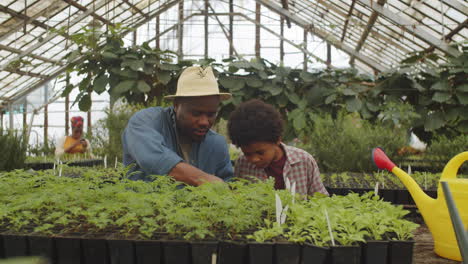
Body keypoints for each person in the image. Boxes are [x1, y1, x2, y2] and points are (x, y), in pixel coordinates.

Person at [122, 66, 233, 185]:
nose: (204, 122)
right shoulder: (145, 123)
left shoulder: (217, 144)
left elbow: (231, 186)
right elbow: (159, 162)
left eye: (211, 114)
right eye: (196, 113)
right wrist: (209, 181)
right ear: (176, 105)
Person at [227, 99, 328, 196]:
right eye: (247, 154)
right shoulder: (242, 164)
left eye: (260, 152)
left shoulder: (304, 161)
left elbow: (320, 199)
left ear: (277, 140)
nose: (254, 159)